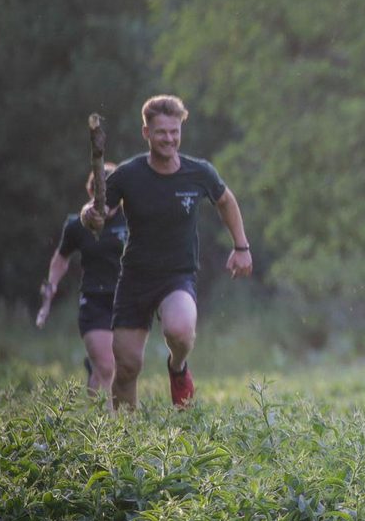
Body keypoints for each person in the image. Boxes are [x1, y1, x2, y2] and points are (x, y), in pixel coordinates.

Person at [82, 95, 253, 411]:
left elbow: (226, 201)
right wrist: (90, 215)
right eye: (161, 132)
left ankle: (178, 368)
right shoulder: (129, 174)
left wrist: (241, 247)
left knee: (179, 330)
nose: (169, 139)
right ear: (146, 133)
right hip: (135, 279)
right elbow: (97, 210)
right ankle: (125, 440)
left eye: (174, 132)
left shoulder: (198, 173)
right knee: (128, 366)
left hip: (177, 276)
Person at [35, 162, 126, 396]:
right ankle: (110, 427)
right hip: (94, 300)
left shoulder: (131, 221)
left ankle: (96, 418)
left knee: (116, 368)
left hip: (126, 301)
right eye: (99, 192)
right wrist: (51, 286)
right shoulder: (77, 225)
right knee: (107, 366)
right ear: (90, 192)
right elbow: (61, 259)